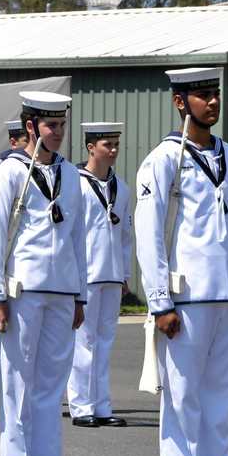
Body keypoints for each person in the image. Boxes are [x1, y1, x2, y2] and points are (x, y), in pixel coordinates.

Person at [135, 67, 228, 456]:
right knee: (183, 404)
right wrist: (160, 300)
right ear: (180, 103)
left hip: (225, 296)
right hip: (185, 301)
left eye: (214, 94)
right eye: (202, 96)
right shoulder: (164, 158)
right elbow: (148, 235)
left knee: (218, 405)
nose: (212, 102)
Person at [0, 91, 88, 456]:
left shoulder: (71, 175)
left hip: (60, 287)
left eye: (61, 125)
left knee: (51, 380)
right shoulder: (8, 173)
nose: (58, 133)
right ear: (30, 127)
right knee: (17, 378)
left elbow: (78, 236)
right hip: (22, 289)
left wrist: (80, 293)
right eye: (50, 126)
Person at [67, 122, 134, 429]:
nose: (114, 150)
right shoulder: (76, 184)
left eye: (116, 144)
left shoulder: (122, 187)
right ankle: (81, 406)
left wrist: (125, 273)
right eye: (108, 144)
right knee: (84, 342)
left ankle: (102, 404)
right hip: (86, 274)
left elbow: (125, 236)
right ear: (91, 147)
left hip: (111, 274)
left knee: (104, 342)